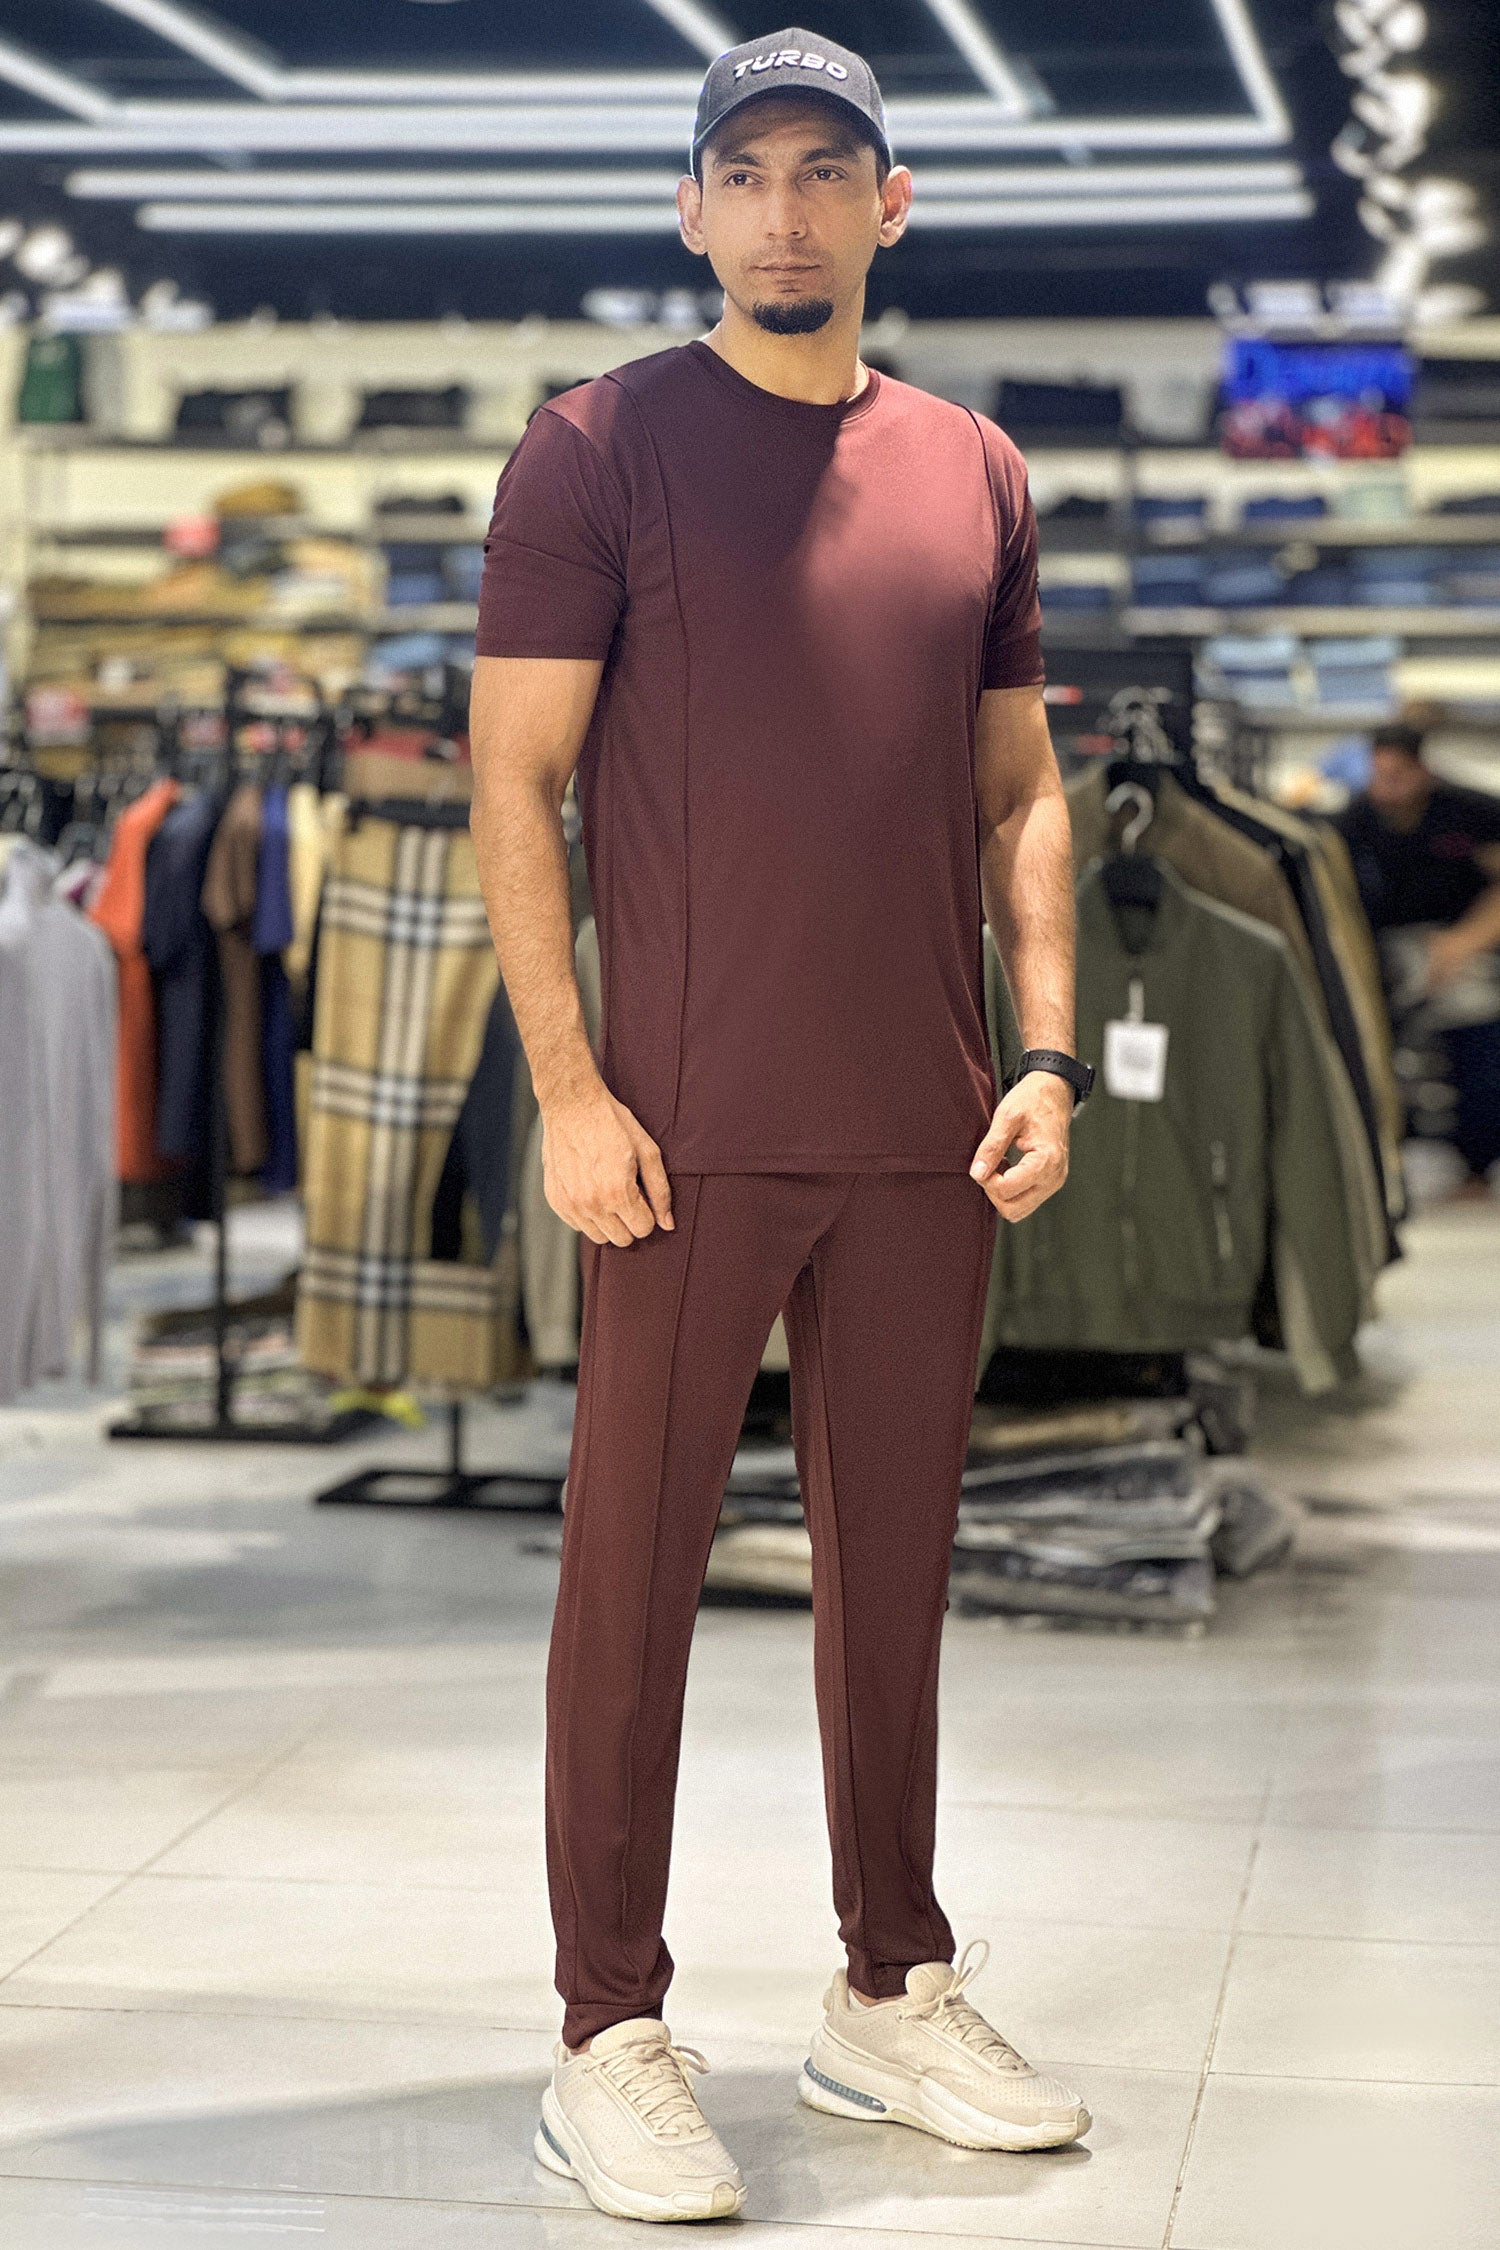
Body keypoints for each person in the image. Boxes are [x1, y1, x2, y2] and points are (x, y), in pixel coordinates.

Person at [469, 26, 1093, 2225]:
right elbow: (515, 782)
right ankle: (606, 2028)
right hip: (684, 1132)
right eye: (745, 173)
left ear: (891, 204)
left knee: (895, 1577)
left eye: (828, 169)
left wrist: (1046, 1052)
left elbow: (1022, 796)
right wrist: (569, 1088)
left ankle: (890, 1984)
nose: (785, 210)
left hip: (929, 1129)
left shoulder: (976, 468)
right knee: (631, 1580)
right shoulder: (596, 448)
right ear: (691, 210)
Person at [1338, 722, 1500, 1197]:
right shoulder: (1354, 822)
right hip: (1384, 955)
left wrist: (1464, 943)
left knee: (1481, 1048)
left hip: (1467, 945)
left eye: (1398, 776)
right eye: (1379, 775)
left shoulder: (1471, 813)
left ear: (1422, 770)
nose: (1387, 788)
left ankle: (1477, 1166)